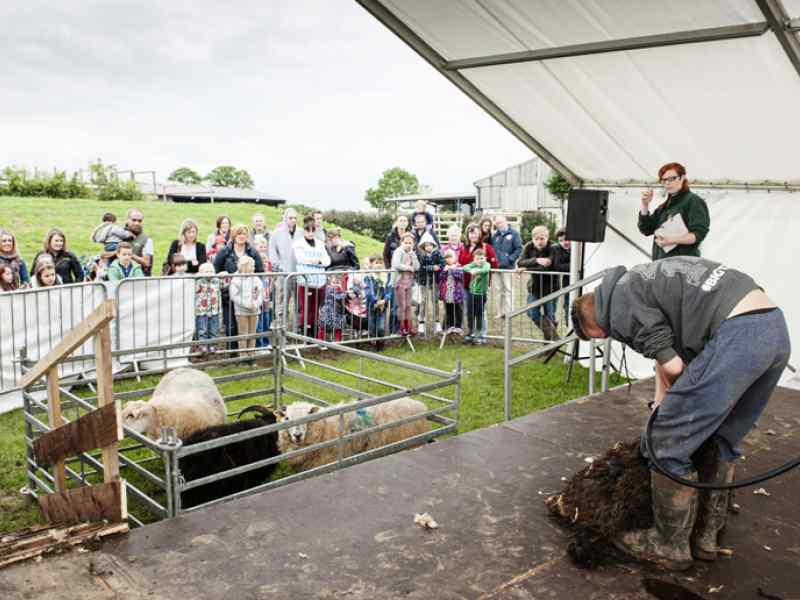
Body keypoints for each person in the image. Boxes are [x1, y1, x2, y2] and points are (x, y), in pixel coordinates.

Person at [571, 257, 789, 571]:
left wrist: (670, 417)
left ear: (590, 323)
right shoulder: (637, 283)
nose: (602, 338)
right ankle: (706, 537)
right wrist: (663, 405)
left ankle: (668, 544)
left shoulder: (616, 308)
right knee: (721, 439)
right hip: (772, 329)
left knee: (666, 444)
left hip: (737, 335)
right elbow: (666, 355)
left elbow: (675, 368)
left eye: (594, 336)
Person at [639, 162, 710, 261]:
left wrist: (671, 240)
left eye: (672, 178)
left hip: (683, 265)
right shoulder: (664, 207)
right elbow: (646, 229)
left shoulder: (693, 201)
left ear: (682, 178)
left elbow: (698, 234)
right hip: (662, 265)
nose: (667, 183)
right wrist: (645, 205)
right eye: (664, 180)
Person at [213, 224, 264, 351]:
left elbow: (260, 271)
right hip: (229, 295)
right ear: (234, 235)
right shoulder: (225, 251)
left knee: (249, 329)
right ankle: (233, 353)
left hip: (248, 297)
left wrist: (255, 290)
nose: (242, 236)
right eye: (239, 233)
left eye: (244, 234)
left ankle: (248, 354)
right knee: (231, 326)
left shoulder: (252, 252)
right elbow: (216, 269)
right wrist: (223, 278)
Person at [517, 225, 558, 341]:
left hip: (551, 288)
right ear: (533, 239)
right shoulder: (529, 246)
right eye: (537, 239)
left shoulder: (553, 247)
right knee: (531, 312)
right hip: (535, 287)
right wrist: (537, 260)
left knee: (550, 315)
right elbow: (520, 262)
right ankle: (554, 338)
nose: (539, 242)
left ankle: (549, 345)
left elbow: (547, 268)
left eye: (542, 239)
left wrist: (527, 268)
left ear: (547, 237)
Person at [292, 215, 331, 333]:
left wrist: (318, 261)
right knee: (306, 308)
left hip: (320, 281)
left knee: (317, 307)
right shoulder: (298, 243)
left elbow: (327, 260)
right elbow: (301, 259)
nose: (310, 233)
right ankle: (306, 332)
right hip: (305, 281)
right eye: (308, 230)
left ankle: (314, 332)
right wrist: (318, 261)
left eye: (313, 230)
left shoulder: (320, 244)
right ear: (303, 230)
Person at [459, 223, 498, 339]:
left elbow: (494, 264)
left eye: (475, 233)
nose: (473, 236)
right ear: (467, 234)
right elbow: (462, 264)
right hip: (466, 285)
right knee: (469, 310)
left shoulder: (486, 247)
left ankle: (481, 334)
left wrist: (481, 272)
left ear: (479, 234)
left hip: (481, 286)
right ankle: (471, 332)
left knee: (481, 311)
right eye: (470, 233)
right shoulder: (464, 248)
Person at [269, 208, 302, 324]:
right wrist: (277, 266)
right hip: (283, 274)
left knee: (300, 304)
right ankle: (281, 330)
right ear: (285, 218)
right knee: (282, 303)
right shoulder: (277, 233)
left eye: (295, 218)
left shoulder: (301, 233)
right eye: (290, 218)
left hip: (299, 274)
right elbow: (272, 250)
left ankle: (298, 330)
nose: (293, 220)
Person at [229, 255, 263, 356]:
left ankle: (251, 354)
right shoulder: (236, 280)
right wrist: (246, 304)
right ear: (243, 267)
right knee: (243, 333)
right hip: (241, 311)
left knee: (253, 333)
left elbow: (260, 292)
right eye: (251, 266)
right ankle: (243, 355)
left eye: (253, 266)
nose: (253, 268)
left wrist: (256, 303)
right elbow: (234, 296)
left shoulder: (256, 279)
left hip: (254, 310)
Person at [491, 215, 522, 319]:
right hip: (496, 268)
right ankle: (500, 312)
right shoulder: (495, 235)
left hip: (508, 267)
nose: (499, 225)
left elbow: (518, 249)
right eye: (497, 223)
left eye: (501, 222)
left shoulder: (514, 234)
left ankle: (509, 312)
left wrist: (510, 259)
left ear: (505, 221)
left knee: (508, 290)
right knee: (499, 290)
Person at [391, 233, 419, 337]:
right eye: (406, 242)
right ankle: (401, 327)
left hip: (409, 283)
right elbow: (396, 264)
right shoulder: (398, 251)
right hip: (400, 282)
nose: (408, 245)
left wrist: (413, 255)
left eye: (410, 243)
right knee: (401, 306)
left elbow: (417, 266)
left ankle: (409, 326)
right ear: (401, 242)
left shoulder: (412, 253)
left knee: (408, 306)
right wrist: (408, 267)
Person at [415, 231, 442, 336]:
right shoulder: (421, 255)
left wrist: (439, 267)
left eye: (430, 244)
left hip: (434, 281)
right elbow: (421, 268)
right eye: (426, 245)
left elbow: (442, 263)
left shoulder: (437, 253)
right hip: (423, 282)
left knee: (435, 301)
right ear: (423, 246)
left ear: (433, 245)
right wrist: (432, 268)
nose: (428, 247)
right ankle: (421, 322)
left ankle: (437, 321)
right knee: (423, 301)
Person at [462, 248, 491, 344]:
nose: (479, 261)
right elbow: (465, 267)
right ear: (474, 259)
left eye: (481, 258)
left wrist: (477, 271)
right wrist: (471, 270)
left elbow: (486, 269)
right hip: (471, 293)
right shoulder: (474, 264)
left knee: (479, 314)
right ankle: (471, 332)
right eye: (477, 259)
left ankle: (479, 333)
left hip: (481, 294)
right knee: (470, 313)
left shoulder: (486, 264)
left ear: (485, 258)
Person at [364, 256, 392, 351]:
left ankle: (381, 343)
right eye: (376, 263)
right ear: (372, 264)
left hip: (382, 306)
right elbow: (368, 292)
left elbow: (389, 291)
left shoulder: (386, 277)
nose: (379, 265)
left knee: (380, 326)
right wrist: (375, 301)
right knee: (371, 325)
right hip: (372, 305)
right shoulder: (369, 278)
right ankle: (373, 343)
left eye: (381, 263)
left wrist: (384, 300)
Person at [195, 262, 222, 356]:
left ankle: (213, 345)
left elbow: (224, 284)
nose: (209, 273)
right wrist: (198, 275)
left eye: (211, 271)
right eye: (206, 271)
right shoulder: (199, 281)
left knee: (214, 329)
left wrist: (223, 274)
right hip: (202, 310)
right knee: (202, 329)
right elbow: (194, 283)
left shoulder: (216, 281)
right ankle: (202, 345)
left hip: (214, 310)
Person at [437, 249, 465, 334]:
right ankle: (449, 326)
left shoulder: (458, 266)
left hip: (456, 293)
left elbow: (460, 277)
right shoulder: (444, 267)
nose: (449, 259)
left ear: (455, 258)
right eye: (447, 258)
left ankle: (458, 326)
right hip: (447, 294)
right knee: (448, 310)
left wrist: (452, 270)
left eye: (451, 257)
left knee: (458, 309)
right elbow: (440, 278)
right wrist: (445, 271)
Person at [253, 234, 273, 349]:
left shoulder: (268, 261)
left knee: (266, 320)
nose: (262, 248)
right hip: (258, 298)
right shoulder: (254, 260)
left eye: (264, 246)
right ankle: (259, 344)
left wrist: (270, 288)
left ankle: (266, 342)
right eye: (260, 246)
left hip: (266, 298)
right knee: (259, 322)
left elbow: (270, 278)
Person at [317, 272, 348, 342]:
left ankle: (337, 341)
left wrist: (343, 292)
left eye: (338, 282)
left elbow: (341, 297)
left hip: (337, 313)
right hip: (326, 312)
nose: (336, 284)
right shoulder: (327, 289)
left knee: (338, 328)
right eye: (334, 282)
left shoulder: (340, 291)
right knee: (322, 327)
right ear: (330, 282)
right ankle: (320, 341)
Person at [551, 228, 571, 325]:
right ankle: (569, 327)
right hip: (568, 284)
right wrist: (574, 265)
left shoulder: (578, 248)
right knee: (568, 306)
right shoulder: (556, 248)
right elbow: (558, 266)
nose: (565, 243)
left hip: (578, 282)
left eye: (567, 239)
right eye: (561, 241)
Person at [124, 208, 153, 276]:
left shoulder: (146, 240)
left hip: (138, 278)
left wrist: (128, 254)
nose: (137, 223)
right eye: (133, 220)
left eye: (140, 221)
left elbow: (146, 262)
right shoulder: (118, 235)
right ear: (127, 220)